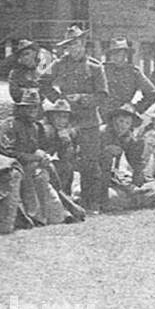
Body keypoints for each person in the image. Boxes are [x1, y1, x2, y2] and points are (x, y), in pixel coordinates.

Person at [47, 25, 110, 212]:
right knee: (66, 161)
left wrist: (83, 98)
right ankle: (66, 203)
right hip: (67, 120)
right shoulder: (59, 64)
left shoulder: (95, 67)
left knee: (90, 163)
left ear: (83, 44)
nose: (72, 49)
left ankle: (91, 203)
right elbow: (43, 82)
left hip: (89, 122)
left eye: (75, 44)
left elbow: (103, 95)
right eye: (69, 45)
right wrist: (58, 99)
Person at [3, 90, 69, 226]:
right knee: (35, 175)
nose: (32, 110)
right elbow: (8, 153)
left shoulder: (37, 127)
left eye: (35, 107)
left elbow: (44, 148)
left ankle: (58, 209)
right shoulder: (11, 125)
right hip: (16, 167)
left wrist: (44, 157)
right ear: (21, 108)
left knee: (57, 216)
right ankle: (34, 216)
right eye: (28, 107)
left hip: (36, 168)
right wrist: (34, 158)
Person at [103, 38, 155, 116]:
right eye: (113, 53)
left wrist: (136, 108)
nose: (116, 57)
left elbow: (152, 93)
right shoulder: (102, 70)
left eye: (119, 54)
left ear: (126, 54)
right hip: (103, 114)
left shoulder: (133, 72)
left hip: (123, 115)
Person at [5, 39, 44, 106]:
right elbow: (15, 95)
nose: (25, 57)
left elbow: (45, 92)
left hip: (38, 108)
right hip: (21, 108)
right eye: (21, 55)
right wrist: (31, 92)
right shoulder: (15, 73)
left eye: (27, 54)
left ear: (34, 54)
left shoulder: (42, 71)